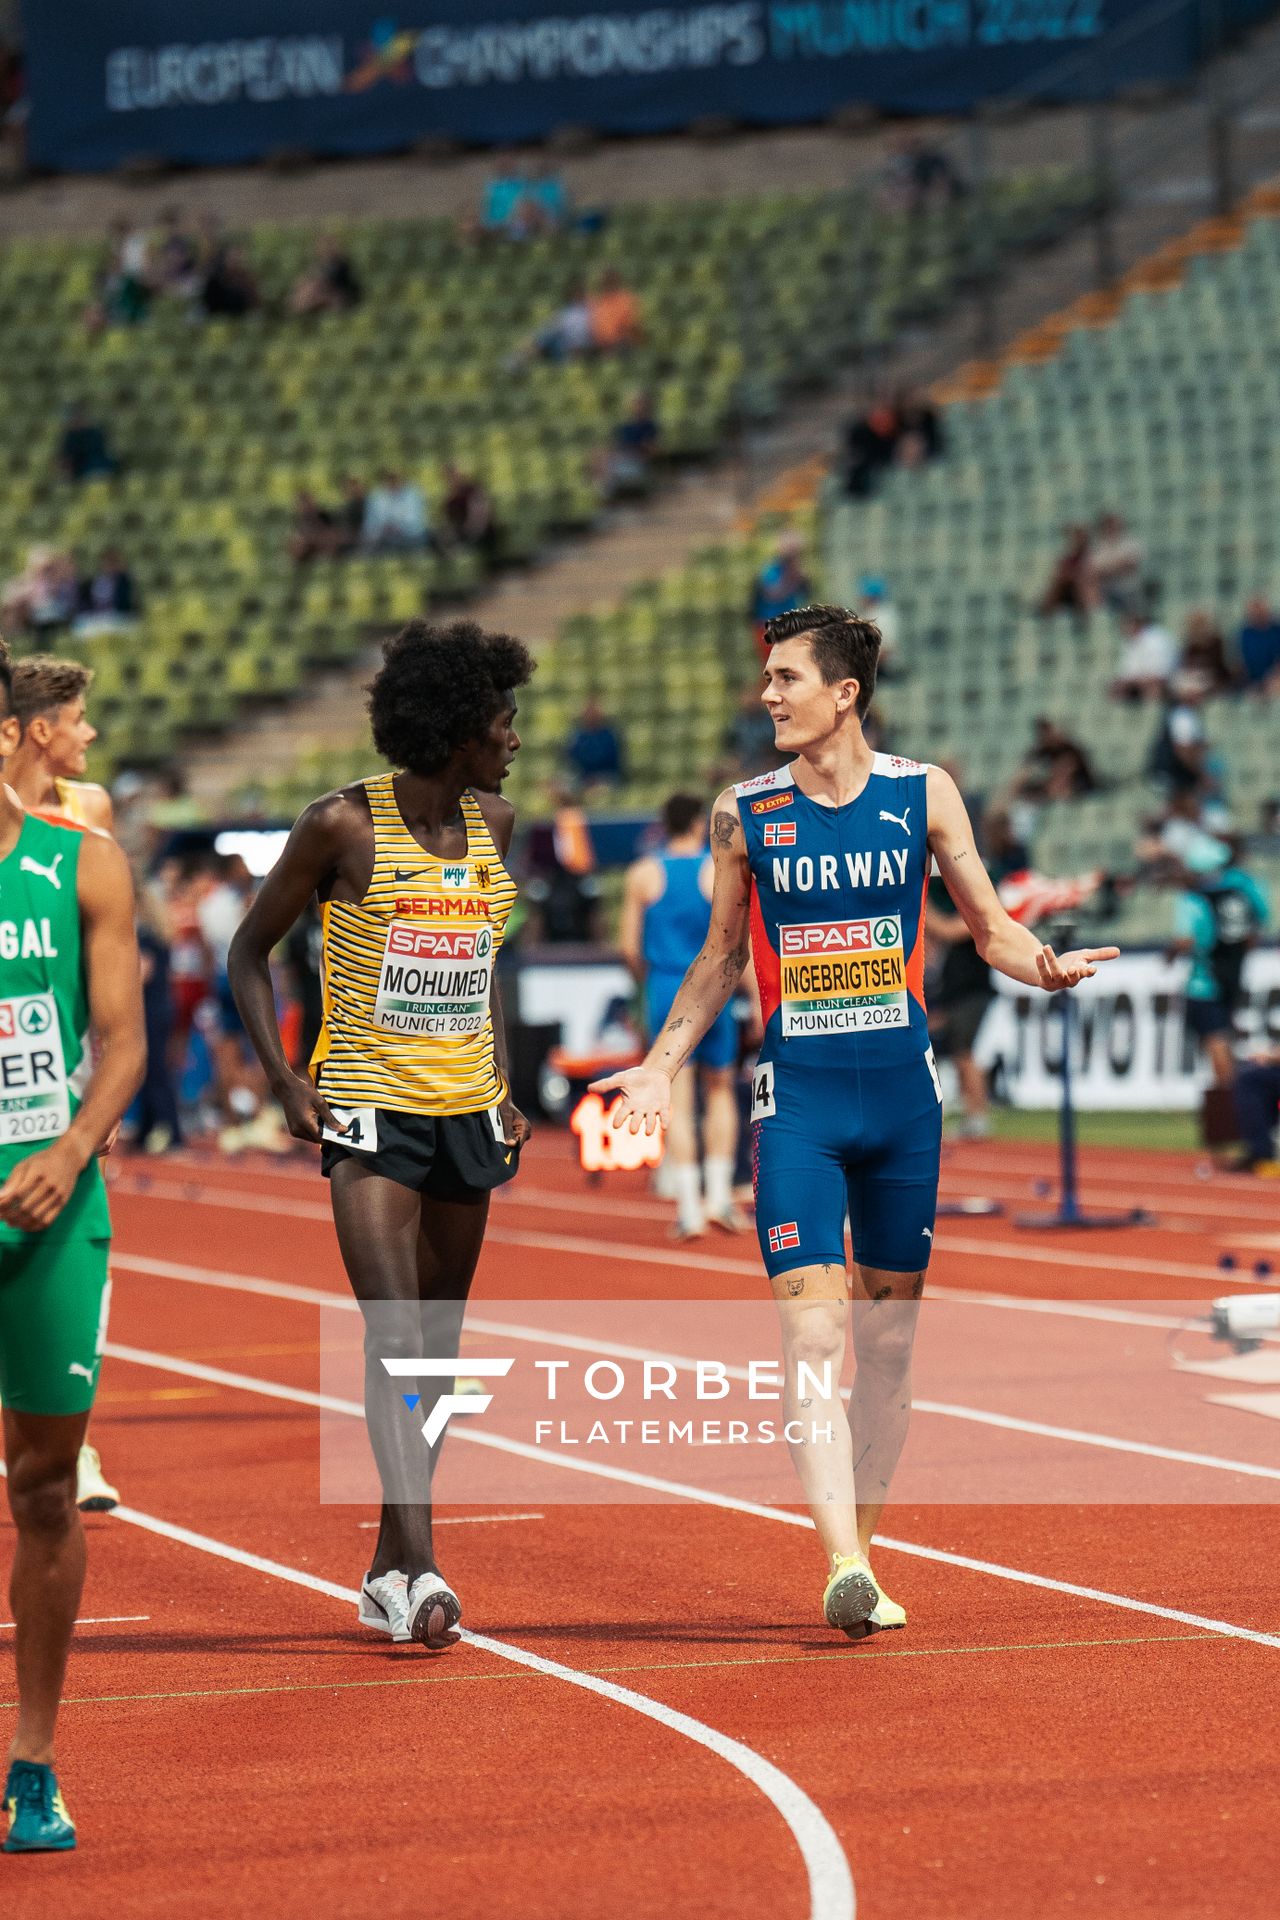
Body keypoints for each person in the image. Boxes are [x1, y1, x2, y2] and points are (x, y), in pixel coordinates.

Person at [591, 605, 1117, 1638]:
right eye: (766, 678)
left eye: (785, 678)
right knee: (812, 1330)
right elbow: (719, 960)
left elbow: (990, 928)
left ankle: (863, 1556)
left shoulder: (922, 795)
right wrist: (658, 1068)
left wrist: (1042, 966)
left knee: (884, 1349)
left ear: (844, 694)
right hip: (799, 1108)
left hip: (901, 1107)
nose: (766, 695)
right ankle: (839, 1559)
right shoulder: (741, 814)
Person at [227, 620, 534, 1648]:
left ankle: (383, 1570)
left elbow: (486, 964)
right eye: (501, 722)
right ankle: (425, 1567)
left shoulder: (496, 822)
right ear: (453, 729)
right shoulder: (340, 826)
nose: (514, 740)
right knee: (395, 1338)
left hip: (464, 1115)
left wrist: (504, 1082)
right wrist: (280, 1079)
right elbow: (246, 953)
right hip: (365, 1113)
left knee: (436, 1357)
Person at [0, 635, 146, 1852]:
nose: (83, 735)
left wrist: (71, 1147)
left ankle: (32, 1766)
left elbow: (126, 1042)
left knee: (44, 1486)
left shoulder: (84, 861)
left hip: (49, 1199)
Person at [4, 656, 123, 1509]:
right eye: (77, 717)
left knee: (68, 1269)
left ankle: (74, 1441)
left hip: (66, 1082)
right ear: (34, 727)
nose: (88, 733)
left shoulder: (90, 821)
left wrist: (91, 1111)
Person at [619, 793, 746, 1240]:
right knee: (720, 1089)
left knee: (675, 1092)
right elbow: (733, 938)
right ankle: (719, 1199)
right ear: (698, 824)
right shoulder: (715, 870)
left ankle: (689, 1208)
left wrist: (651, 984)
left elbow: (630, 948)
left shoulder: (642, 873)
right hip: (712, 988)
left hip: (665, 988)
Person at [751, 534, 811, 659]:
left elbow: (806, 593)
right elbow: (773, 594)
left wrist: (802, 579)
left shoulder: (795, 571)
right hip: (768, 625)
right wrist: (792, 580)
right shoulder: (771, 570)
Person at [289, 236, 362, 316]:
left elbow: (329, 281)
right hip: (326, 293)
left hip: (339, 295)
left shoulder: (340, 264)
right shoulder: (321, 264)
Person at [1112, 609, 1176, 700]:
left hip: (1167, 680)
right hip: (1141, 680)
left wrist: (1138, 679)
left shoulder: (1157, 638)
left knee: (1153, 687)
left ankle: (1153, 711)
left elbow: (1160, 673)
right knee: (1116, 688)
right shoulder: (1128, 642)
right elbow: (1127, 672)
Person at [1090, 513, 1145, 617]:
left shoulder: (1130, 544)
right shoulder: (1099, 546)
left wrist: (1108, 569)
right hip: (1106, 590)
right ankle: (1095, 619)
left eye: (1113, 525)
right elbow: (1095, 572)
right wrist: (1116, 566)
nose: (1111, 528)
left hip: (1128, 589)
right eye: (1108, 526)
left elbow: (1130, 566)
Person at [1038, 526, 1097, 622]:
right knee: (1059, 584)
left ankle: (1086, 622)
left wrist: (1073, 576)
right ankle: (1044, 619)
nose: (1077, 542)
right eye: (1075, 539)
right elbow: (1059, 574)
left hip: (1086, 595)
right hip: (1068, 592)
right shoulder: (1067, 559)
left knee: (1079, 584)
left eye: (1080, 539)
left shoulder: (1093, 557)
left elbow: (1090, 576)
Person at [74, 548, 137, 636]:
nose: (110, 566)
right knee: (80, 623)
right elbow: (91, 602)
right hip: (99, 617)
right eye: (107, 563)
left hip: (118, 615)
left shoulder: (124, 580)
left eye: (113, 563)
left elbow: (126, 603)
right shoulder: (97, 580)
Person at [361, 472, 430, 552]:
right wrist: (381, 529)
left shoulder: (412, 494)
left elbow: (416, 523)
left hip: (410, 537)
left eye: (395, 479)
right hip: (383, 538)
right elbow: (369, 524)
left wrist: (399, 527)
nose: (393, 482)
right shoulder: (376, 496)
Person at [565, 698, 623, 791]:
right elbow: (572, 758)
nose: (590, 716)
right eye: (588, 714)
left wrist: (595, 778)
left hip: (606, 777)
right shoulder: (578, 736)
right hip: (583, 778)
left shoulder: (609, 735)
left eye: (594, 714)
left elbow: (610, 758)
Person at [587, 269, 642, 353]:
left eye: (611, 280)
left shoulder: (626, 299)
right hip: (601, 347)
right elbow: (593, 327)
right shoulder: (597, 302)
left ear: (616, 281)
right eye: (606, 281)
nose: (608, 284)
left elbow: (632, 326)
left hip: (622, 345)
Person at [57, 408, 116, 484]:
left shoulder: (96, 433)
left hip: (99, 466)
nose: (78, 420)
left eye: (80, 417)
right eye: (75, 418)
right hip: (82, 470)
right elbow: (66, 457)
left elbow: (106, 449)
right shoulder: (70, 437)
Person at [1237, 597, 1280, 693]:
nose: (1257, 613)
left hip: (1274, 680)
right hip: (1252, 681)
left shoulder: (1277, 631)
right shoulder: (1245, 633)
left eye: (1260, 609)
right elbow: (1242, 662)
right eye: (1254, 610)